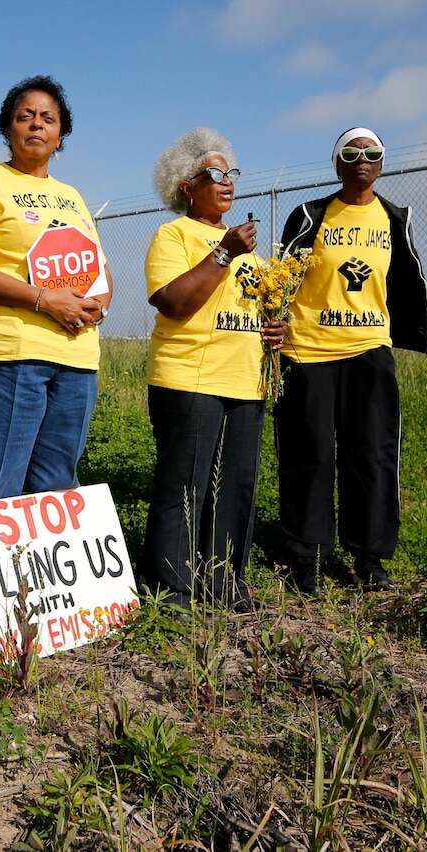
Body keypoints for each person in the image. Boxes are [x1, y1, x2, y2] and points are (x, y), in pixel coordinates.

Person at [274, 127, 427, 593]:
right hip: (308, 353)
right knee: (310, 456)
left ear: (382, 163)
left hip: (369, 353)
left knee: (373, 456)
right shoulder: (309, 216)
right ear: (337, 162)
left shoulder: (394, 218)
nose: (362, 159)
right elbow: (282, 278)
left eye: (372, 152)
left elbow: (403, 280)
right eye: (351, 152)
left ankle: (370, 557)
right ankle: (305, 558)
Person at [0, 76, 112, 503]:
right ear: (7, 129)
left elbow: (100, 270)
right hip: (13, 354)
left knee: (57, 484)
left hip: (76, 358)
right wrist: (43, 299)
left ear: (61, 136)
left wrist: (99, 305)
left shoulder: (71, 196)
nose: (37, 125)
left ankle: (35, 572)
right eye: (25, 116)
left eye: (48, 118)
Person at [140, 128, 285, 611]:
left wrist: (275, 331)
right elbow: (174, 303)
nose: (227, 182)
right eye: (214, 174)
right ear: (187, 185)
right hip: (190, 379)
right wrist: (222, 252)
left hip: (245, 382)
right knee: (185, 484)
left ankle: (224, 581)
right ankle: (172, 590)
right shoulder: (174, 236)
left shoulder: (254, 256)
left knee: (235, 487)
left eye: (231, 174)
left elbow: (262, 314)